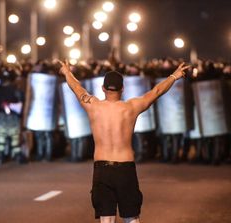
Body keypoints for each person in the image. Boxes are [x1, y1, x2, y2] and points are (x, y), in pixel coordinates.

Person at [58, 60, 189, 223]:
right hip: (125, 168)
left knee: (107, 220)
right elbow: (156, 91)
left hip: (102, 169)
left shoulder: (93, 106)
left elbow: (76, 88)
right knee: (131, 218)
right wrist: (174, 76)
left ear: (103, 88)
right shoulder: (131, 107)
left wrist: (66, 72)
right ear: (123, 89)